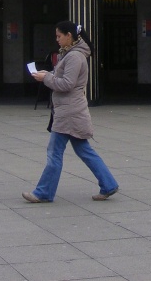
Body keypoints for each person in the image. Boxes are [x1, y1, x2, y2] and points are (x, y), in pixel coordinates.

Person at [23, 21, 119, 203]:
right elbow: (63, 78)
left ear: (69, 36)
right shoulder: (71, 54)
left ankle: (43, 192)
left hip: (69, 113)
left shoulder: (74, 56)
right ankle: (108, 184)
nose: (57, 39)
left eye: (59, 36)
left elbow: (67, 84)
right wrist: (47, 74)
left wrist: (46, 78)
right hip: (71, 111)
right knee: (84, 151)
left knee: (54, 152)